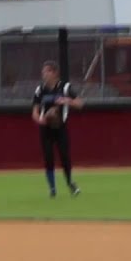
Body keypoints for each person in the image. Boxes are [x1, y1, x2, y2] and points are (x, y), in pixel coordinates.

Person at [31, 61, 84, 197]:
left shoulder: (65, 88)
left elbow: (80, 103)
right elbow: (35, 111)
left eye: (46, 71)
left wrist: (67, 101)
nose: (44, 74)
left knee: (65, 157)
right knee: (48, 158)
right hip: (46, 129)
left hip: (60, 127)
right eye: (43, 72)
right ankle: (52, 189)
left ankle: (70, 183)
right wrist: (40, 120)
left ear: (54, 73)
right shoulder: (40, 90)